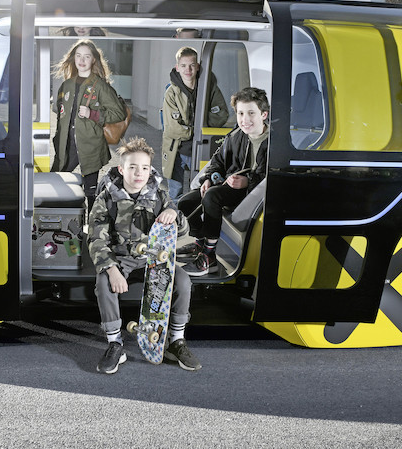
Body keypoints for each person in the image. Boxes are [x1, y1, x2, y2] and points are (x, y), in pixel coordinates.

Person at [89, 137, 199, 374]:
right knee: (104, 283)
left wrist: (173, 213)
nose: (139, 173)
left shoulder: (159, 195)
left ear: (150, 170)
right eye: (133, 167)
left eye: (145, 168)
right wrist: (112, 269)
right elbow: (97, 239)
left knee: (183, 281)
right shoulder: (106, 198)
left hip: (154, 259)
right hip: (121, 259)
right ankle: (115, 343)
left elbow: (182, 230)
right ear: (122, 169)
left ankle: (176, 341)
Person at [177, 87, 270, 276]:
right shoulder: (236, 135)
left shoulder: (273, 143)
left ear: (263, 114)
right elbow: (218, 161)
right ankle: (199, 243)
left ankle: (209, 256)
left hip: (254, 193)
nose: (245, 119)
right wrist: (209, 178)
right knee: (185, 202)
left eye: (251, 113)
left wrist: (246, 182)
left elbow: (269, 176)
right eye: (241, 113)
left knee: (212, 197)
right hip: (229, 186)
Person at [50, 39, 126, 209]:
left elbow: (119, 113)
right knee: (57, 183)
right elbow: (59, 111)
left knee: (90, 192)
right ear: (73, 58)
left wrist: (92, 114)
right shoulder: (67, 84)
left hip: (90, 146)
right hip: (65, 146)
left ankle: (93, 228)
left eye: (86, 56)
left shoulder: (100, 86)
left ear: (93, 60)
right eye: (78, 56)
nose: (82, 60)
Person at [161, 47, 229, 198]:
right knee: (175, 192)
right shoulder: (171, 93)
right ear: (177, 67)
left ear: (198, 66)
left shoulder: (209, 88)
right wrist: (198, 128)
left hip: (201, 147)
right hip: (177, 150)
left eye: (192, 65)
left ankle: (193, 221)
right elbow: (172, 129)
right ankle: (176, 220)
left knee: (199, 190)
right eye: (184, 65)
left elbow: (222, 115)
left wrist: (194, 125)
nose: (188, 69)